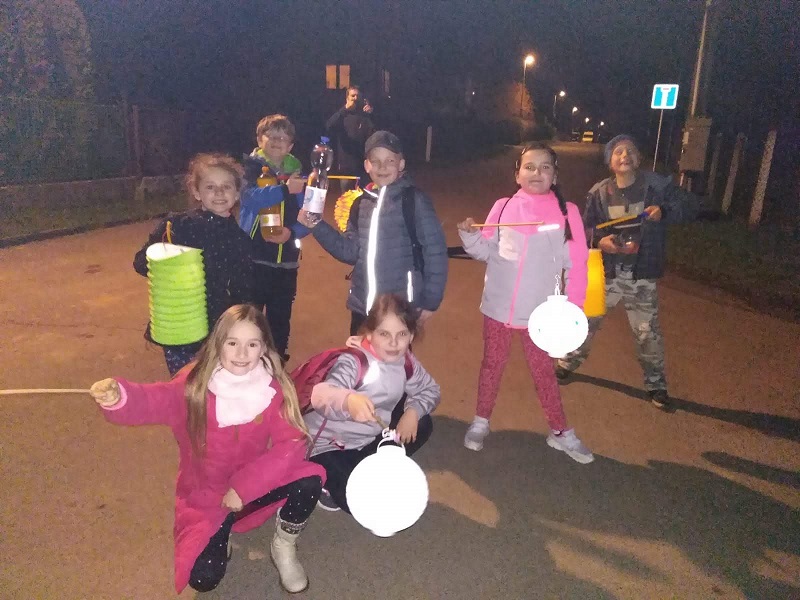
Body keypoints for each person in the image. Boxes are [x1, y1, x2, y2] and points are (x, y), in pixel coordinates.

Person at [90, 304, 325, 594]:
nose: (242, 354)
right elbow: (153, 400)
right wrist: (119, 396)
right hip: (207, 496)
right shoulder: (195, 385)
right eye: (232, 343)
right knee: (203, 579)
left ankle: (283, 546)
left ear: (264, 348)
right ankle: (221, 532)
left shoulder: (272, 387)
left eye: (252, 344)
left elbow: (291, 444)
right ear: (218, 344)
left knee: (309, 478)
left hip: (252, 487)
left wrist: (244, 488)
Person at [457, 143, 593, 464]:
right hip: (498, 308)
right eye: (529, 167)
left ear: (555, 176)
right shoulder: (503, 206)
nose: (537, 173)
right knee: (491, 366)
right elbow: (487, 251)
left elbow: (577, 264)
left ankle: (560, 431)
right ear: (517, 173)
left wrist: (573, 310)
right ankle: (481, 420)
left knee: (544, 372)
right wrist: (469, 236)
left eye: (546, 167)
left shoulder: (567, 212)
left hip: (541, 314)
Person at [556, 134, 700, 412]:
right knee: (585, 321)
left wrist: (665, 211)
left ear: (639, 158)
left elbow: (690, 205)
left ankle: (656, 385)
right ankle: (567, 362)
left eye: (630, 150)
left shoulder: (657, 187)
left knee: (647, 333)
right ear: (609, 161)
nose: (625, 155)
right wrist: (600, 241)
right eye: (618, 152)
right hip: (607, 273)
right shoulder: (599, 193)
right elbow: (584, 229)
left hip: (641, 275)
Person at [299, 130, 448, 335]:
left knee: (393, 355)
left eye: (389, 161)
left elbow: (435, 252)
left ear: (401, 164)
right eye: (375, 161)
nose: (382, 167)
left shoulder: (414, 201)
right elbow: (350, 252)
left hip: (398, 307)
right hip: (362, 307)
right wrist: (316, 225)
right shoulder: (360, 203)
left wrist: (430, 301)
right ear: (367, 165)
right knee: (358, 355)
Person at [304, 293, 440, 512]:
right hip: (331, 444)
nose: (394, 343)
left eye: (402, 334)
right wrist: (348, 400)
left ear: (411, 336)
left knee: (423, 423)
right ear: (369, 333)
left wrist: (412, 412)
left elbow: (430, 389)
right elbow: (321, 395)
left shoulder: (406, 360)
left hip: (368, 437)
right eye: (384, 334)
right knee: (358, 501)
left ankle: (368, 466)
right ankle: (328, 481)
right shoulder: (353, 361)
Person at [133, 153, 254, 376]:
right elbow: (141, 262)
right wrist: (167, 262)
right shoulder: (176, 226)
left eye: (226, 187)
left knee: (216, 384)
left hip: (218, 329)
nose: (219, 192)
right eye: (210, 187)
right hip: (178, 327)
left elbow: (244, 291)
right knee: (185, 384)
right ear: (197, 192)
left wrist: (243, 326)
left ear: (237, 193)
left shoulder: (240, 240)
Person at [239, 114, 308, 362]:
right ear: (260, 140)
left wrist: (293, 232)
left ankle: (276, 364)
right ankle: (245, 362)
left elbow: (311, 214)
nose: (278, 141)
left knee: (280, 320)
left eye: (284, 137)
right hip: (254, 259)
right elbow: (249, 198)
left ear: (291, 146)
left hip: (286, 262)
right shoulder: (250, 169)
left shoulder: (299, 175)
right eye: (272, 136)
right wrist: (284, 190)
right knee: (249, 318)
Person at [325, 85, 375, 190]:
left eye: (358, 96)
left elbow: (374, 133)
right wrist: (344, 109)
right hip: (345, 164)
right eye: (353, 96)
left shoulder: (365, 115)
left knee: (363, 194)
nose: (355, 99)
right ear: (347, 98)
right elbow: (328, 126)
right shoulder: (342, 115)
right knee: (346, 195)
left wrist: (371, 114)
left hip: (362, 164)